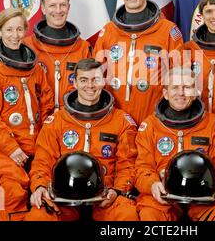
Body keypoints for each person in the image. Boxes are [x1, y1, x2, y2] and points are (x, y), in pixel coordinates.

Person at [25, 58, 138, 221]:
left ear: (103, 82)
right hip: (64, 195)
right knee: (39, 216)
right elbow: (43, 161)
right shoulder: (57, 120)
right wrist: (40, 185)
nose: (90, 86)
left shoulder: (122, 121)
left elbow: (127, 164)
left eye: (95, 80)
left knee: (126, 214)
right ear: (75, 83)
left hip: (105, 194)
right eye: (84, 80)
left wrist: (117, 190)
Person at [0, 8, 54, 221]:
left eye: (19, 29)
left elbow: (46, 105)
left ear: (26, 31)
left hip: (34, 145)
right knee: (12, 190)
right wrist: (12, 148)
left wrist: (45, 142)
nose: (15, 35)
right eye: (9, 29)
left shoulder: (34, 67)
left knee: (48, 193)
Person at [135, 67, 215, 221]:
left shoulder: (212, 123)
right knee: (149, 215)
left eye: (187, 87)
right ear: (165, 94)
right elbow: (142, 166)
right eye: (175, 88)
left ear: (195, 92)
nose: (181, 93)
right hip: (164, 195)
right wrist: (152, 184)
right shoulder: (150, 125)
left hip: (204, 196)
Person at [94, 0, 183, 125]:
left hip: (155, 119)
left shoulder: (168, 30)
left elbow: (178, 78)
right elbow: (95, 75)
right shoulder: (108, 31)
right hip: (113, 119)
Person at [24, 0, 91, 111]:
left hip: (71, 120)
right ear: (43, 8)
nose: (58, 10)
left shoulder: (83, 48)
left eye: (63, 5)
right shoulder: (27, 46)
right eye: (52, 5)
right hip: (37, 118)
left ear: (68, 8)